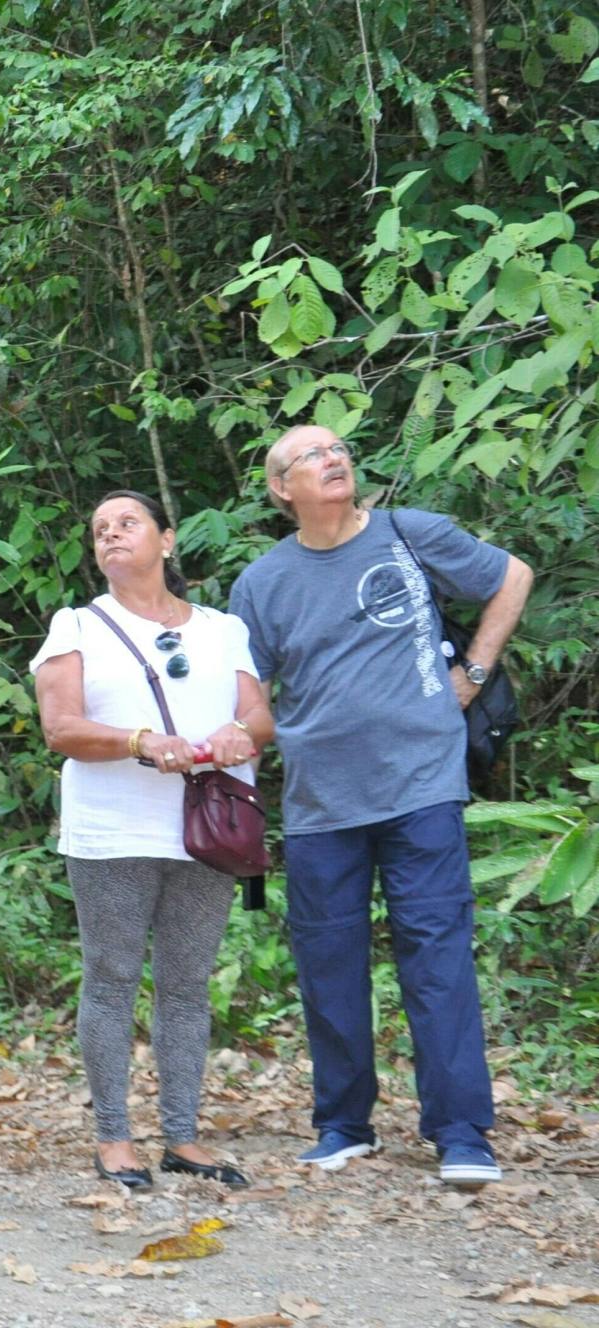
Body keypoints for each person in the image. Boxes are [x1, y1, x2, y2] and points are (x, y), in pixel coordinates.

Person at [230, 425, 533, 1189]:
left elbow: (512, 576)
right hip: (318, 802)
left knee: (436, 957)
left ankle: (461, 1133)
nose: (332, 460)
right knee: (328, 965)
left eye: (337, 450)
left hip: (421, 786)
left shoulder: (409, 535)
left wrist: (472, 668)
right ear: (280, 490)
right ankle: (342, 1124)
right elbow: (250, 698)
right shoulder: (260, 584)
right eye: (310, 456)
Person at [31, 490, 273, 1190]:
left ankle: (183, 1136)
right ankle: (113, 1136)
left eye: (126, 523)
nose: (110, 535)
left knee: (186, 985)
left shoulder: (221, 628)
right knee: (110, 979)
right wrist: (141, 741)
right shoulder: (76, 625)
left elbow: (259, 714)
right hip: (113, 833)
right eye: (99, 529)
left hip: (208, 830)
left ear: (166, 540)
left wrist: (239, 734)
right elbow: (61, 728)